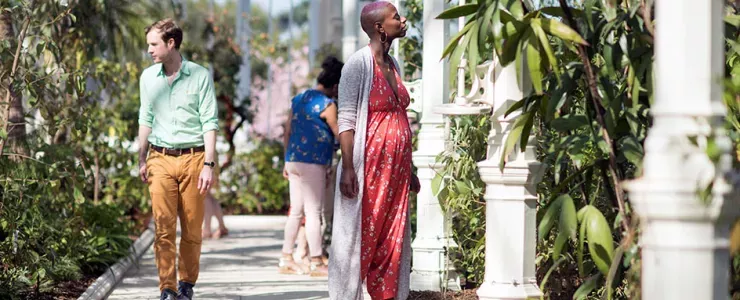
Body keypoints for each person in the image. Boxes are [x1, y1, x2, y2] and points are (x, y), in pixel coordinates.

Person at [328, 2, 420, 300]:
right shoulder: (358, 64)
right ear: (380, 27)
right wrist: (349, 169)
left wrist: (412, 170)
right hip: (369, 169)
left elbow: (400, 120)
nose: (403, 20)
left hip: (396, 173)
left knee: (391, 240)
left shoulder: (393, 64)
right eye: (396, 17)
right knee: (363, 238)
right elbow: (347, 120)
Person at [137, 18, 218, 300]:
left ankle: (186, 283)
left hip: (194, 159)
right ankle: (167, 289)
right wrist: (141, 157)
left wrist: (208, 164)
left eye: (153, 44)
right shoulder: (148, 78)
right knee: (163, 228)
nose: (149, 50)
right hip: (159, 157)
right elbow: (145, 117)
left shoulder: (199, 76)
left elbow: (209, 121)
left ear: (171, 43)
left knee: (193, 229)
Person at [279, 56, 344, 277]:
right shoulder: (328, 105)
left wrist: (287, 160)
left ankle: (287, 258)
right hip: (313, 162)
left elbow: (287, 131)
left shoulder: (298, 99)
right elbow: (338, 133)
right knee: (314, 212)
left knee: (296, 212)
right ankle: (316, 261)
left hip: (294, 160)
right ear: (335, 85)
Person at [202, 157, 229, 240]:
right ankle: (222, 226)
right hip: (212, 159)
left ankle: (207, 229)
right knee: (208, 194)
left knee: (205, 194)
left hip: (207, 160)